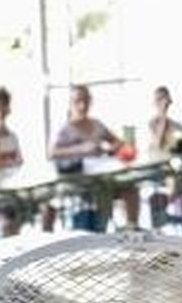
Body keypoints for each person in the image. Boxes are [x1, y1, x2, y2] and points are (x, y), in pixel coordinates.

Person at [49, 84, 139, 227]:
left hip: (103, 175)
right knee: (100, 192)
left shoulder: (97, 124)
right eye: (78, 101)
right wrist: (81, 149)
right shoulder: (65, 129)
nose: (82, 106)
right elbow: (52, 153)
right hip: (78, 180)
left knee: (130, 187)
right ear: (71, 103)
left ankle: (132, 229)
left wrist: (110, 148)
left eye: (86, 101)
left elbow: (118, 142)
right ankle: (99, 232)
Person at [147, 85, 182, 155]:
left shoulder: (175, 124)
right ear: (154, 102)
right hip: (157, 158)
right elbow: (158, 144)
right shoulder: (152, 123)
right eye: (158, 99)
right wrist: (163, 113)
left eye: (163, 99)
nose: (162, 102)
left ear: (169, 101)